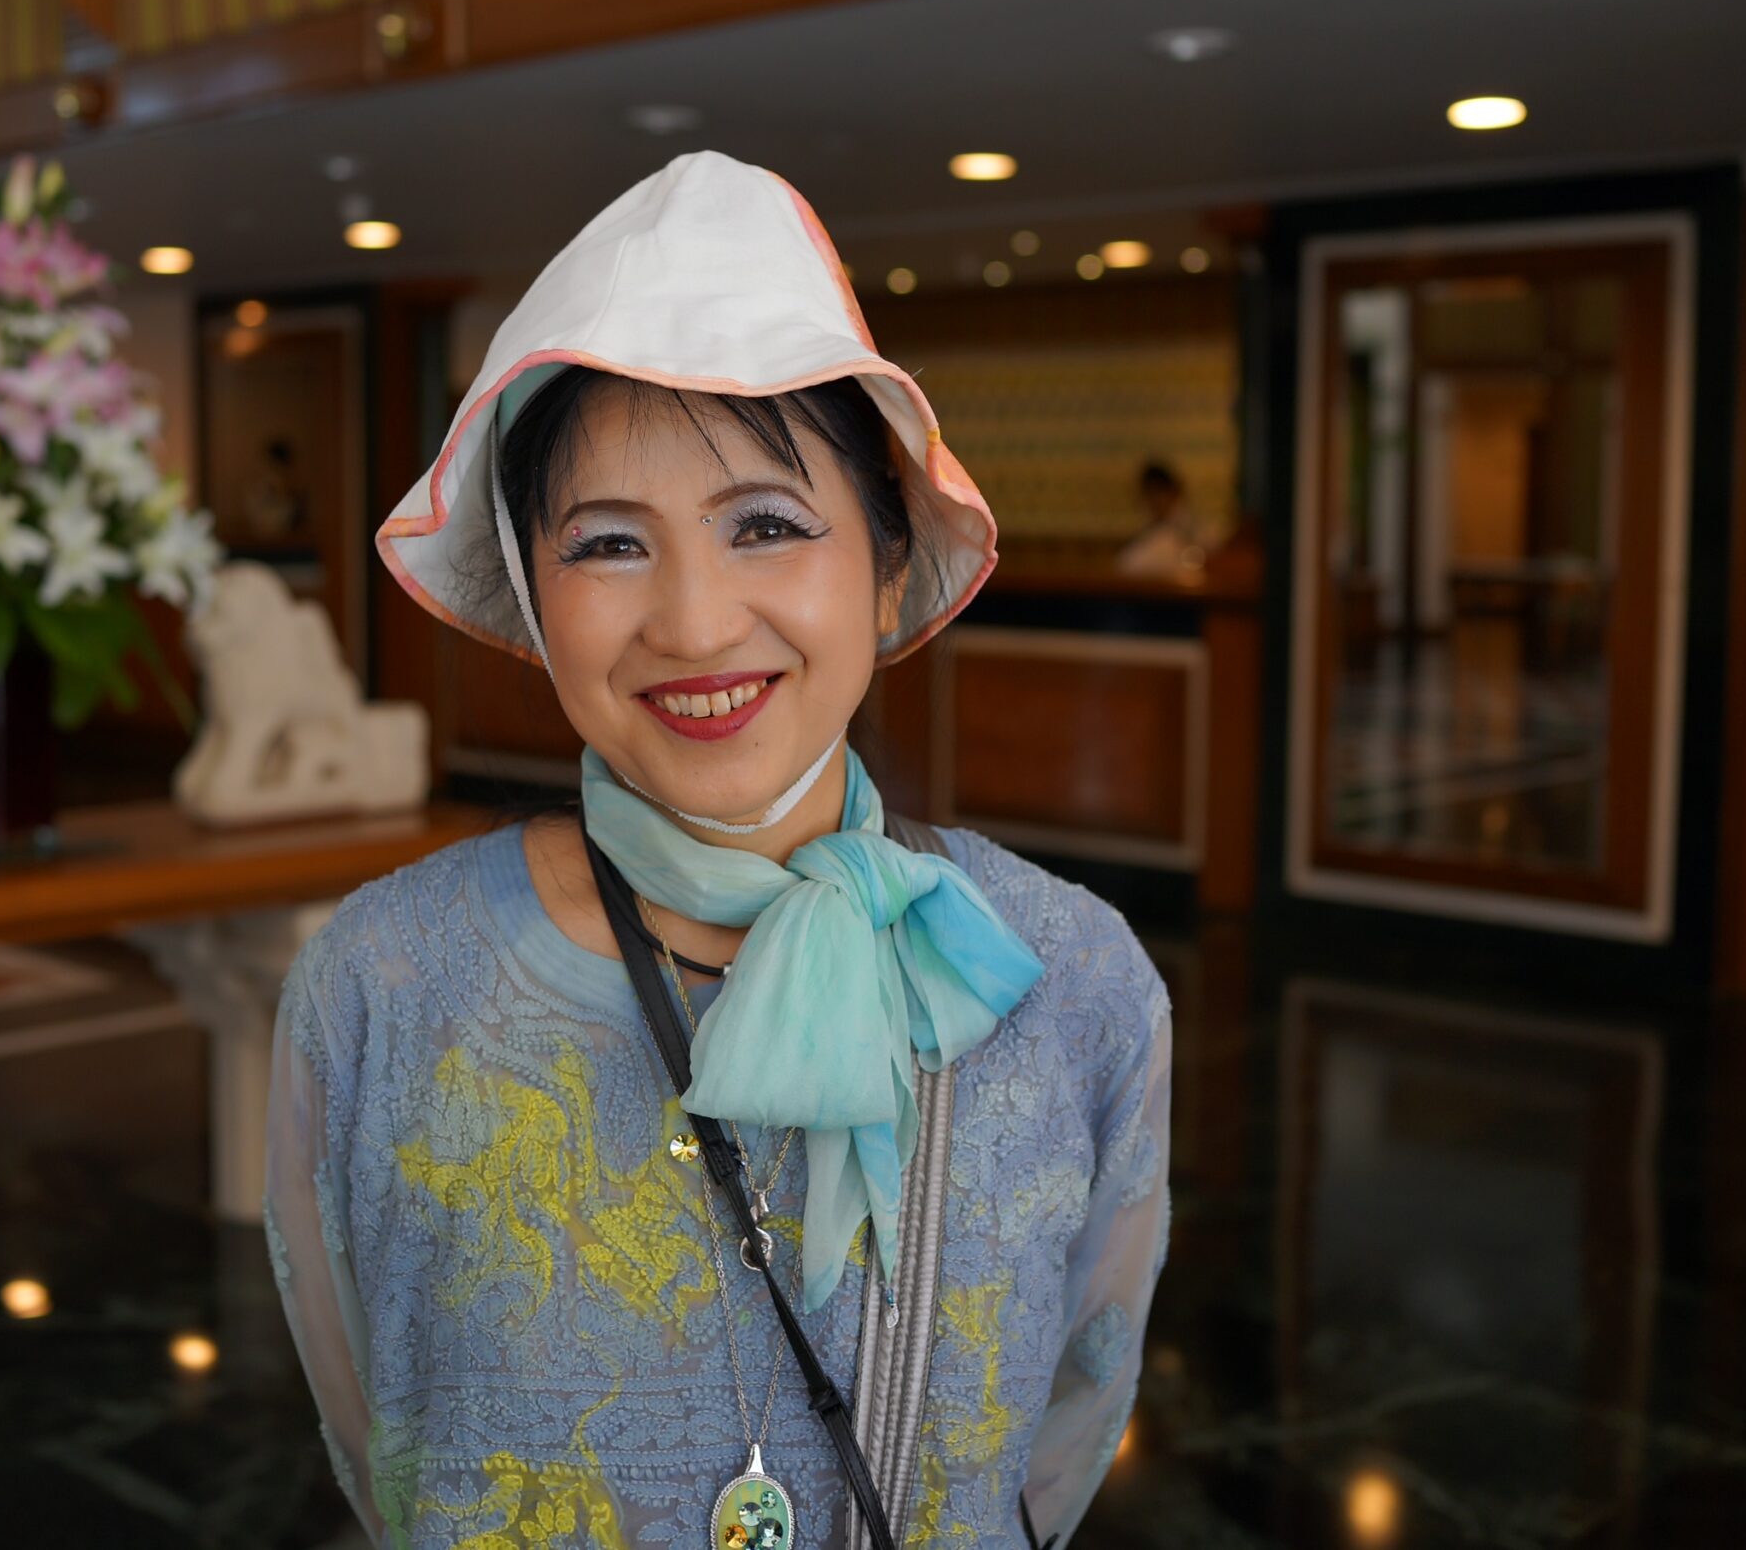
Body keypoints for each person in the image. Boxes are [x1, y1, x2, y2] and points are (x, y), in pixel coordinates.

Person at [265, 151, 1171, 1549]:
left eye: (766, 525)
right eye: (607, 544)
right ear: (535, 598)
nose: (693, 625)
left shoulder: (1071, 978)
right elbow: (376, 1430)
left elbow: (1062, 1434)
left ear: (885, 566)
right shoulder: (381, 985)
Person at [1112, 459, 1198, 577]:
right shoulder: (1152, 530)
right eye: (1147, 495)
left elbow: (1130, 564)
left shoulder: (1186, 530)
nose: (1151, 502)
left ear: (1173, 492)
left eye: (1157, 493)